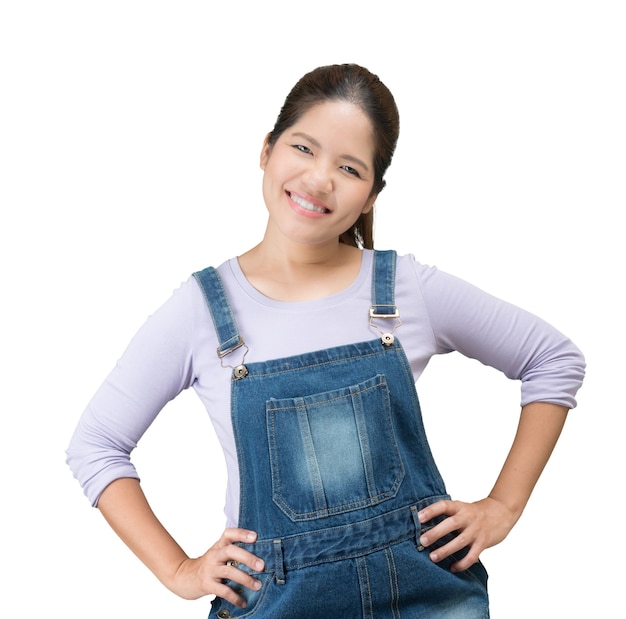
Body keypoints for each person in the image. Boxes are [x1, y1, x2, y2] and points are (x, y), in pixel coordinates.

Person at [66, 63, 585, 618]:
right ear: (266, 150)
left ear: (370, 195)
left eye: (348, 166)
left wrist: (503, 506)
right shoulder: (201, 311)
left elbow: (553, 359)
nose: (318, 179)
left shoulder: (405, 289)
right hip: (274, 602)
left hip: (427, 598)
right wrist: (179, 571)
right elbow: (95, 445)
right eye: (303, 148)